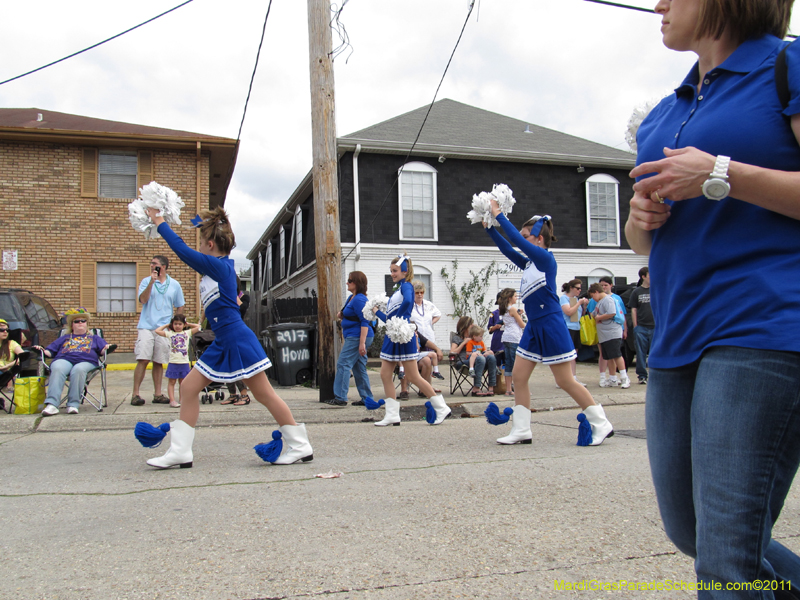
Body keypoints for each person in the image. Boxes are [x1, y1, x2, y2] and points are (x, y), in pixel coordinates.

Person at [626, 0, 800, 594]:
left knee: (726, 561)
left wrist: (723, 172)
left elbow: (717, 177)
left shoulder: (788, 67)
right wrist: (640, 215)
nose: (659, 5)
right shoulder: (663, 113)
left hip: (763, 328)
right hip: (678, 339)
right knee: (694, 530)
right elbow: (641, 243)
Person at [139, 207, 312, 467]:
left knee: (264, 394)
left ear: (210, 245)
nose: (198, 248)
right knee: (189, 387)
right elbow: (196, 242)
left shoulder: (219, 267)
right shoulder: (217, 269)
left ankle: (300, 445)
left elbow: (182, 251)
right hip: (224, 340)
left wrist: (160, 221)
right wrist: (196, 221)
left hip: (236, 339)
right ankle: (181, 451)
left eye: (202, 243)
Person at [483, 200, 613, 446]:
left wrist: (499, 214)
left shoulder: (545, 260)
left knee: (564, 380)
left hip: (551, 324)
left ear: (538, 239)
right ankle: (521, 430)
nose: (520, 240)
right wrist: (489, 228)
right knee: (519, 377)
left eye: (525, 236)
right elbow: (509, 250)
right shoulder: (531, 263)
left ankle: (600, 422)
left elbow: (516, 242)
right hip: (533, 327)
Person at [371, 254, 450, 426]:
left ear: (405, 272)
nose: (392, 274)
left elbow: (408, 301)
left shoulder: (407, 286)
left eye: (395, 271)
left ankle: (441, 407)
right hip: (394, 335)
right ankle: (392, 414)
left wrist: (399, 320)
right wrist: (376, 311)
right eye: (391, 271)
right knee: (385, 374)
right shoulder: (397, 291)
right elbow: (389, 318)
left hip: (402, 335)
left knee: (414, 376)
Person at [132, 255, 185, 406]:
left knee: (159, 361)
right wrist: (151, 282)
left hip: (163, 328)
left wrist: (177, 322)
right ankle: (135, 394)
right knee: (143, 359)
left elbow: (180, 304)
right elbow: (142, 300)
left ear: (163, 266)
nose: (151, 265)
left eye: (154, 263)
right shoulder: (146, 281)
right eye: (151, 263)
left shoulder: (174, 284)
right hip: (146, 326)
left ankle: (158, 394)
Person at [34, 312, 109, 416]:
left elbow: (102, 351)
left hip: (86, 361)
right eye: (76, 321)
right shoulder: (64, 338)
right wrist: (41, 350)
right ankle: (52, 404)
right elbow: (49, 352)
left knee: (78, 369)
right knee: (57, 367)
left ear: (87, 324)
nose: (80, 323)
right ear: (72, 325)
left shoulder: (95, 338)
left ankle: (73, 404)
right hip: (64, 359)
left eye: (83, 321)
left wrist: (106, 348)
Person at [330, 271, 374, 407]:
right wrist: (343, 315)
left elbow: (365, 321)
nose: (347, 282)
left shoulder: (360, 299)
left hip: (358, 337)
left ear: (357, 283)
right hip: (354, 336)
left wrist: (362, 343)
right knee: (359, 367)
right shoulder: (351, 298)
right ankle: (367, 398)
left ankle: (340, 397)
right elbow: (352, 315)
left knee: (343, 364)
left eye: (350, 280)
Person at [588, 284, 631, 389]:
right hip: (604, 334)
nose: (593, 298)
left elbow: (612, 313)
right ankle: (612, 378)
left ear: (596, 292)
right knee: (609, 356)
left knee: (616, 355)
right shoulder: (599, 302)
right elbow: (593, 313)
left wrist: (599, 317)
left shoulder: (608, 300)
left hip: (612, 332)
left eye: (592, 295)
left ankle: (624, 377)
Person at [155, 315, 201, 408]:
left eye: (180, 324)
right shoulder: (170, 333)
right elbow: (157, 331)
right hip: (173, 362)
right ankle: (172, 400)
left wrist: (188, 324)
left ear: (183, 325)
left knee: (183, 383)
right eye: (175, 324)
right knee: (171, 382)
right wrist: (167, 325)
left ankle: (182, 400)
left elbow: (198, 327)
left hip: (184, 363)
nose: (177, 326)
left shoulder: (187, 333)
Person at [222, 278, 252, 406]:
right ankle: (233, 395)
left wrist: (232, 295)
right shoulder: (223, 296)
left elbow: (242, 310)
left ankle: (244, 395)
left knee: (236, 365)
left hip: (236, 332)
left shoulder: (244, 297)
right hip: (224, 332)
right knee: (226, 366)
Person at [450, 316, 496, 397]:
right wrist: (464, 343)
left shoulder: (475, 337)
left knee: (491, 358)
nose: (473, 325)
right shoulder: (457, 338)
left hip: (479, 360)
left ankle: (491, 387)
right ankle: (476, 388)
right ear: (465, 326)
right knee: (480, 359)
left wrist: (487, 352)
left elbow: (482, 349)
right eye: (471, 324)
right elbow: (452, 352)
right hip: (464, 362)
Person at [409, 280, 444, 380]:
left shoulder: (428, 305)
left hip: (428, 337)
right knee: (420, 363)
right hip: (417, 339)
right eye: (417, 292)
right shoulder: (410, 305)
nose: (420, 295)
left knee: (428, 363)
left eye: (422, 292)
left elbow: (438, 314)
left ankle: (428, 386)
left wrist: (430, 323)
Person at [559, 279, 588, 386]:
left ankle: (573, 377)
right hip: (567, 328)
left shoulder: (576, 299)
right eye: (577, 288)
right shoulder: (564, 298)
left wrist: (583, 306)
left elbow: (579, 314)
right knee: (567, 354)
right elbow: (568, 312)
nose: (579, 290)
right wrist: (579, 303)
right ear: (571, 288)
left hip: (576, 327)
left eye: (580, 288)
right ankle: (563, 378)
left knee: (574, 354)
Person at [627, 266, 654, 384]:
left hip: (655, 326)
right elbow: (634, 309)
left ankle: (655, 375)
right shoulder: (636, 292)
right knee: (640, 353)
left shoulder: (656, 290)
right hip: (641, 327)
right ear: (643, 277)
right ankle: (642, 376)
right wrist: (636, 326)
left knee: (655, 352)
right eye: (649, 275)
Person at [498, 288, 525, 396]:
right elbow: (521, 324)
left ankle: (508, 389)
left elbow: (507, 321)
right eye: (515, 296)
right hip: (514, 337)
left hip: (506, 337)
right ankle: (518, 388)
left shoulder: (504, 308)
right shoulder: (513, 309)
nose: (516, 298)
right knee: (516, 363)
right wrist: (522, 316)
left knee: (508, 362)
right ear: (510, 298)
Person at [0, 318, 25, 390]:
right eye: (2, 330)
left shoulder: (11, 343)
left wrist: (7, 366)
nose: (5, 332)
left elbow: (23, 356)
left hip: (5, 373)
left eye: (7, 330)